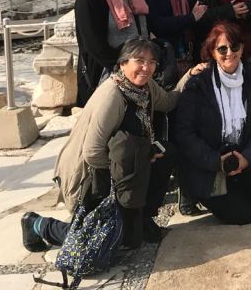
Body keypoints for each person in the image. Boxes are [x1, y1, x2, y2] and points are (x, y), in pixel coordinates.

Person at [22, 39, 201, 252]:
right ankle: (37, 224)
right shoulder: (113, 95)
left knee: (167, 153)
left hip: (125, 167)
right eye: (139, 61)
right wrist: (131, 167)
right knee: (104, 240)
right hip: (92, 176)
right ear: (123, 63)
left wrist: (189, 75)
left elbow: (169, 101)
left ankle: (141, 216)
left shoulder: (145, 87)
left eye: (152, 62)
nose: (146, 67)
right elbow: (92, 152)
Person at [171, 21, 251, 224]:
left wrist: (247, 158)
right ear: (212, 52)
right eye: (222, 48)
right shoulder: (198, 84)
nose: (229, 53)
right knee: (242, 215)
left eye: (234, 47)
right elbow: (185, 133)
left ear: (242, 49)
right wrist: (216, 162)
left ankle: (238, 186)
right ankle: (200, 193)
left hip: (238, 154)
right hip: (209, 161)